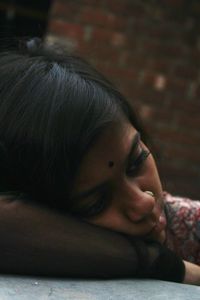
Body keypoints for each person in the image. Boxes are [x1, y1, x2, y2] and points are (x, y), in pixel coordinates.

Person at [0, 39, 199, 285]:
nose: (145, 202)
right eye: (97, 202)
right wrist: (163, 265)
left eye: (136, 162)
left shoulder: (190, 225)